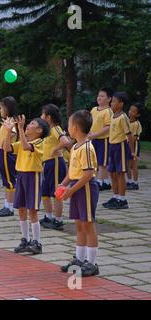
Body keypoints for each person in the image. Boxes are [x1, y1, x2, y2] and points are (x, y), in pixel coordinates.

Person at [60, 110, 100, 277]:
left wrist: (71, 190)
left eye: (68, 125)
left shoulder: (86, 147)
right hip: (76, 188)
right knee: (79, 224)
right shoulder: (75, 147)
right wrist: (63, 184)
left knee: (88, 224)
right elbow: (72, 172)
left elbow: (88, 173)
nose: (67, 128)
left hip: (85, 188)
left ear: (75, 128)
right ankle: (79, 258)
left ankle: (92, 263)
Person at [3, 115, 49, 255]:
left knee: (32, 210)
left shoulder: (40, 142)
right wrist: (8, 131)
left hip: (32, 177)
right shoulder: (24, 139)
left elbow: (25, 146)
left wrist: (20, 129)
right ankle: (25, 239)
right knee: (21, 209)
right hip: (21, 176)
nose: (28, 125)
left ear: (39, 130)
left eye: (32, 123)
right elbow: (7, 148)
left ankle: (37, 242)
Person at [39, 104, 71, 231]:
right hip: (47, 164)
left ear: (49, 117)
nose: (41, 116)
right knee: (45, 192)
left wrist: (55, 149)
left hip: (55, 163)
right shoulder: (47, 130)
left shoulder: (55, 128)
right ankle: (48, 216)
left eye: (43, 114)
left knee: (56, 193)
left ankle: (58, 220)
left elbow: (65, 141)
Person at [102, 92, 134, 210]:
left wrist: (132, 151)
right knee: (112, 173)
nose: (112, 103)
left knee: (120, 173)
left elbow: (129, 135)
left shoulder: (123, 117)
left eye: (114, 101)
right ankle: (115, 196)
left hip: (120, 146)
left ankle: (122, 199)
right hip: (112, 146)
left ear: (121, 104)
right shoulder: (113, 116)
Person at [0, 97, 18, 217]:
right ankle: (6, 205)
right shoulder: (7, 120)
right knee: (6, 181)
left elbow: (13, 132)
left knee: (9, 181)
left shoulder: (11, 121)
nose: (0, 110)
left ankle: (10, 208)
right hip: (0, 153)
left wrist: (4, 143)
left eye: (2, 107)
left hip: (6, 153)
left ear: (8, 108)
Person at [88, 88, 113, 191]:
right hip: (93, 139)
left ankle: (99, 182)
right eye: (99, 95)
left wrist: (95, 134)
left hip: (104, 140)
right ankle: (106, 181)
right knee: (95, 161)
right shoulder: (94, 109)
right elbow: (89, 122)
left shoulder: (108, 111)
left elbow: (108, 127)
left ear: (109, 99)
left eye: (102, 96)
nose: (99, 98)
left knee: (102, 162)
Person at [126, 103, 142, 190]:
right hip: (126, 144)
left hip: (134, 145)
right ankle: (129, 181)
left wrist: (129, 142)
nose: (130, 112)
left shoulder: (137, 124)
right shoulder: (126, 121)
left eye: (133, 111)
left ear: (137, 114)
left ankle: (135, 183)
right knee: (127, 165)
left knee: (134, 165)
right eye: (130, 110)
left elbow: (135, 137)